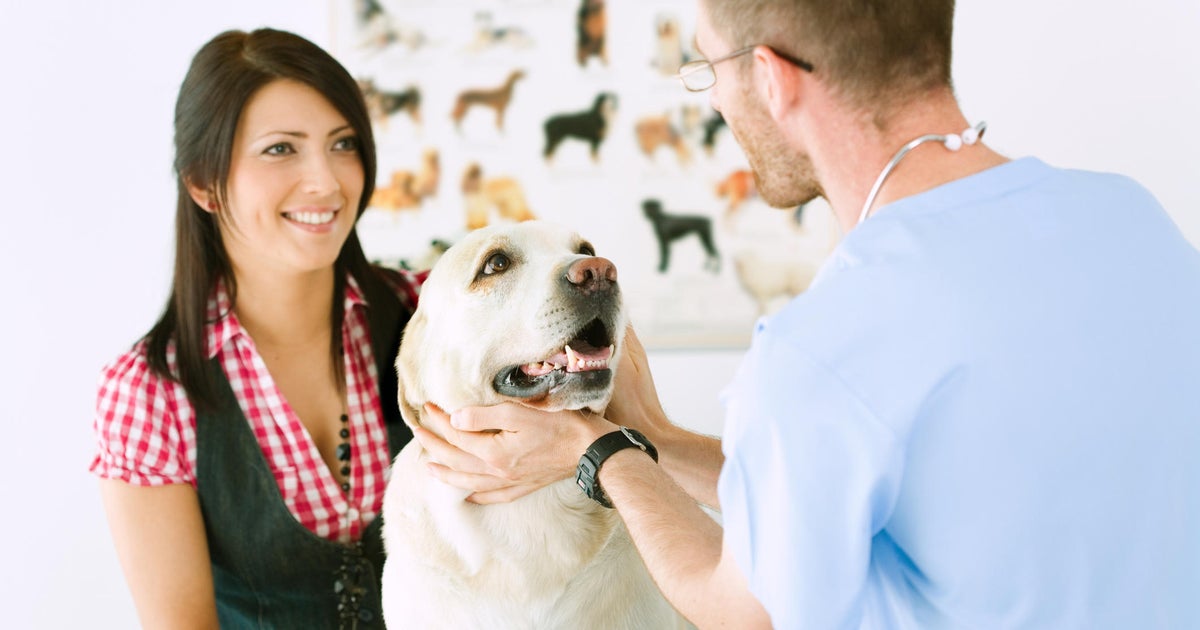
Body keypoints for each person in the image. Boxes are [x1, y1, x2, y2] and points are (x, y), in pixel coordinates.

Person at [412, 0, 1200, 628]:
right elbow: (856, 494)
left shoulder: (824, 343)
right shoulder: (1132, 218)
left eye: (708, 68)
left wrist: (599, 448)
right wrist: (657, 439)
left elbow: (746, 609)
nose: (715, 95)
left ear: (771, 76)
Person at [90, 28, 422, 629]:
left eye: (343, 143)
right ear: (202, 183)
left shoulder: (429, 312)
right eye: (280, 149)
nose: (326, 181)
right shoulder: (152, 391)